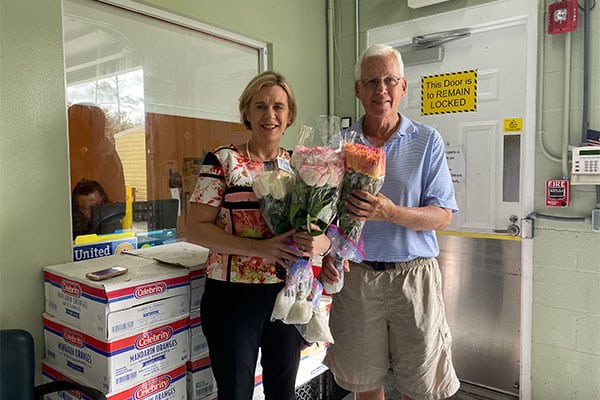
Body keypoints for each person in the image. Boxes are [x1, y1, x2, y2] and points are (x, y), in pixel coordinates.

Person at [320, 44, 460, 400]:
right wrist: (326, 256)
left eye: (389, 80)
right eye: (371, 81)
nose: (380, 89)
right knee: (365, 385)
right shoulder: (340, 145)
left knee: (420, 386)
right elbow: (324, 215)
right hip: (357, 279)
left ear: (403, 87)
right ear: (357, 90)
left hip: (414, 279)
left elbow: (442, 216)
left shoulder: (428, 141)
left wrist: (391, 212)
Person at [185, 71, 331, 400]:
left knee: (283, 391)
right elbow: (195, 228)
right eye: (260, 106)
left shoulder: (301, 166)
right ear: (246, 112)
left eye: (279, 107)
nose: (270, 115)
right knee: (236, 392)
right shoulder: (223, 160)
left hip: (288, 294)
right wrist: (261, 249)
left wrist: (317, 242)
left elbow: (326, 235)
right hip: (232, 296)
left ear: (290, 115)